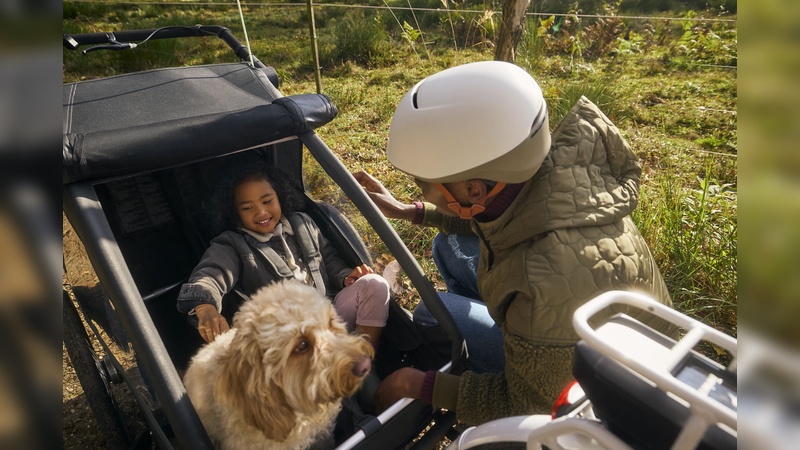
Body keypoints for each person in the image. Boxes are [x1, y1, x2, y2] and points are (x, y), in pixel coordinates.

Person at [369, 61, 677, 426]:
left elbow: (530, 408)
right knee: (446, 249)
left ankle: (477, 356)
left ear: (472, 191)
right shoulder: (557, 178)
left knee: (430, 312)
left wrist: (420, 384)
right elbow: (505, 219)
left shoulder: (543, 280)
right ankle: (504, 334)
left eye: (424, 185)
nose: (422, 191)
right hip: (591, 342)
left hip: (593, 396)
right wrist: (414, 211)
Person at [176, 161, 391, 346]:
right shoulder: (232, 245)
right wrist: (205, 308)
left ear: (280, 196)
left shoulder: (303, 223)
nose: (261, 212)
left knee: (375, 284)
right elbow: (210, 275)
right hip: (291, 334)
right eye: (247, 208)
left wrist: (345, 276)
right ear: (233, 212)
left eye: (267, 201)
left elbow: (328, 258)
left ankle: (362, 356)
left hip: (331, 309)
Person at [352, 170, 481, 301]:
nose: (425, 194)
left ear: (474, 189)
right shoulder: (496, 218)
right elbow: (478, 222)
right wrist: (400, 210)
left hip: (501, 315)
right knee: (444, 244)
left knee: (430, 311)